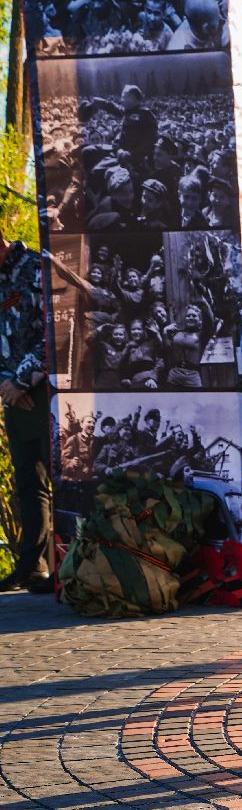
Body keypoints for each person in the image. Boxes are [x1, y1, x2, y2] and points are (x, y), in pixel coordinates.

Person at [0, 238, 53, 593]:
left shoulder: (37, 268)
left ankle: (73, 564)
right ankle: (32, 566)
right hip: (12, 396)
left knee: (60, 480)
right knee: (27, 483)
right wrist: (6, 385)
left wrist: (21, 380)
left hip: (45, 393)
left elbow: (55, 331)